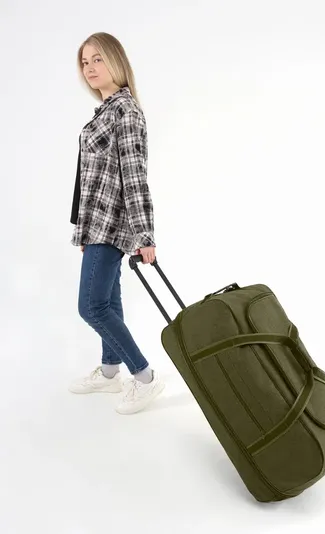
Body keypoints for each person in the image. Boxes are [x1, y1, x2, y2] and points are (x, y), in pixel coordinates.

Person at [68, 32, 165, 415]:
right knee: (107, 300)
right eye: (85, 62)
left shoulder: (125, 111)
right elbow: (89, 176)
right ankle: (110, 373)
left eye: (98, 59)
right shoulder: (106, 110)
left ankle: (145, 377)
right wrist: (82, 226)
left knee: (91, 307)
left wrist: (145, 234)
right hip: (97, 224)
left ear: (116, 61)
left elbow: (134, 176)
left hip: (112, 224)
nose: (90, 68)